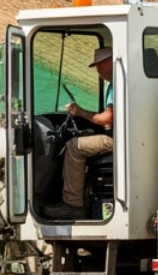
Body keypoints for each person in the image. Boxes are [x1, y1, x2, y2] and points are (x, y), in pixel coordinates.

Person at [46, 46, 113, 220]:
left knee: (74, 146)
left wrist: (80, 112)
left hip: (117, 139)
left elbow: (107, 119)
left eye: (99, 65)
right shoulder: (115, 85)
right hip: (121, 136)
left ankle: (73, 205)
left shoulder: (117, 85)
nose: (97, 70)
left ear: (109, 62)